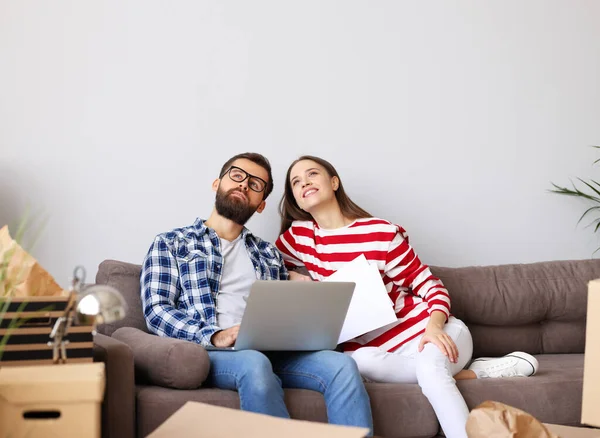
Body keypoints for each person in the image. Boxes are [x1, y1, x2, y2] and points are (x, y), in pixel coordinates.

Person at [275, 155, 539, 438]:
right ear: (297, 200)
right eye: (296, 182)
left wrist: (434, 327)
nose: (305, 183)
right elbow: (272, 265)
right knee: (356, 361)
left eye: (312, 174)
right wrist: (294, 276)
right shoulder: (299, 237)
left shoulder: (380, 232)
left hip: (431, 331)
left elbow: (431, 286)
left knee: (430, 367)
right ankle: (478, 373)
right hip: (383, 355)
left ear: (334, 183)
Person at [140, 152, 373, 434]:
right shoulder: (172, 243)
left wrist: (301, 287)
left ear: (261, 205)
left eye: (255, 184)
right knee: (254, 362)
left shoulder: (268, 253)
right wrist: (216, 335)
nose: (244, 185)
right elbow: (157, 310)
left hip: (273, 350)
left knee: (342, 366)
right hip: (216, 350)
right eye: (237, 176)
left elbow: (284, 306)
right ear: (217, 183)